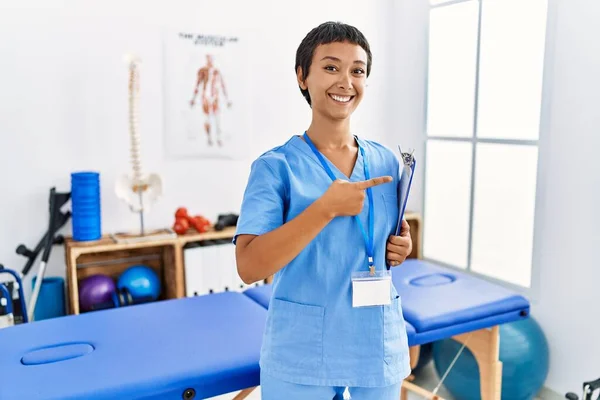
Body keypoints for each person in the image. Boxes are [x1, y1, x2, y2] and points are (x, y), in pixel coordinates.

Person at [234, 21, 413, 399]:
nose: (346, 81)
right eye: (331, 67)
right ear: (302, 77)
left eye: (357, 70)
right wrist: (324, 209)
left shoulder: (386, 162)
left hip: (376, 341)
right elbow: (249, 267)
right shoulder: (274, 167)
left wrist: (400, 246)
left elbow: (383, 240)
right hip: (302, 350)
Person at [189, 54, 232, 147]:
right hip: (206, 97)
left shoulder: (217, 72)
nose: (210, 61)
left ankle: (218, 138)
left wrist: (227, 99)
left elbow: (222, 85)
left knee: (217, 118)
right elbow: (197, 84)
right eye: (208, 59)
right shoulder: (202, 71)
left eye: (211, 59)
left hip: (214, 97)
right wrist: (193, 98)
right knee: (207, 118)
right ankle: (209, 138)